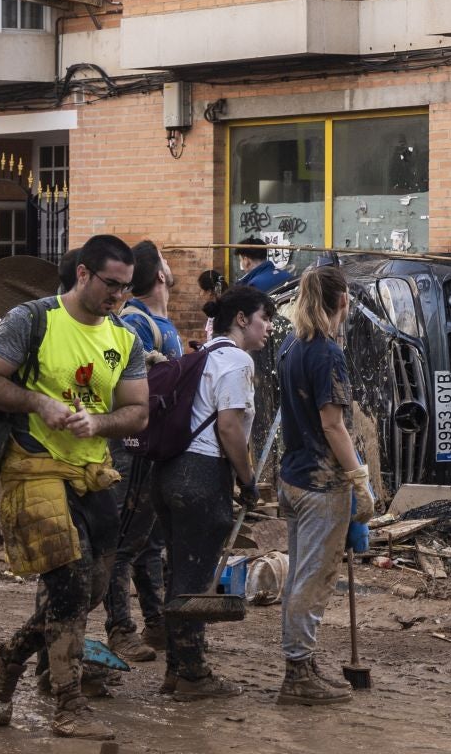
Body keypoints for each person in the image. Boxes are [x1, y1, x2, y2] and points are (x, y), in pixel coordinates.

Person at [0, 235, 147, 742]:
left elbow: (137, 410)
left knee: (93, 588)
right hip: (35, 469)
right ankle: (68, 705)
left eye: (126, 288)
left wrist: (100, 423)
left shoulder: (125, 339)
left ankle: (5, 658)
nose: (117, 296)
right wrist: (38, 403)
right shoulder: (34, 319)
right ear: (84, 275)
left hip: (93, 473)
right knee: (69, 586)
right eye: (111, 285)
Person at [154, 283, 272, 701]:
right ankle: (193, 675)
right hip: (203, 475)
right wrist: (248, 480)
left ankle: (175, 669)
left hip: (169, 476)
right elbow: (229, 428)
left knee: (178, 573)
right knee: (195, 581)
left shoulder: (200, 355)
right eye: (264, 319)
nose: (268, 328)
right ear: (242, 319)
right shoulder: (236, 360)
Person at [274, 264, 377, 706]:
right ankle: (297, 672)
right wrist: (359, 479)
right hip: (320, 483)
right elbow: (333, 425)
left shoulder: (291, 345)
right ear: (342, 301)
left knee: (300, 575)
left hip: (293, 477)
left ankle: (304, 661)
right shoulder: (327, 353)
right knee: (313, 581)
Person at [101, 240, 181, 663]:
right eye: (166, 261)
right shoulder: (134, 321)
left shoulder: (162, 323)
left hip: (157, 446)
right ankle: (119, 629)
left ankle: (155, 622)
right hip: (131, 447)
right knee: (122, 542)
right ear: (160, 275)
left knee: (150, 541)